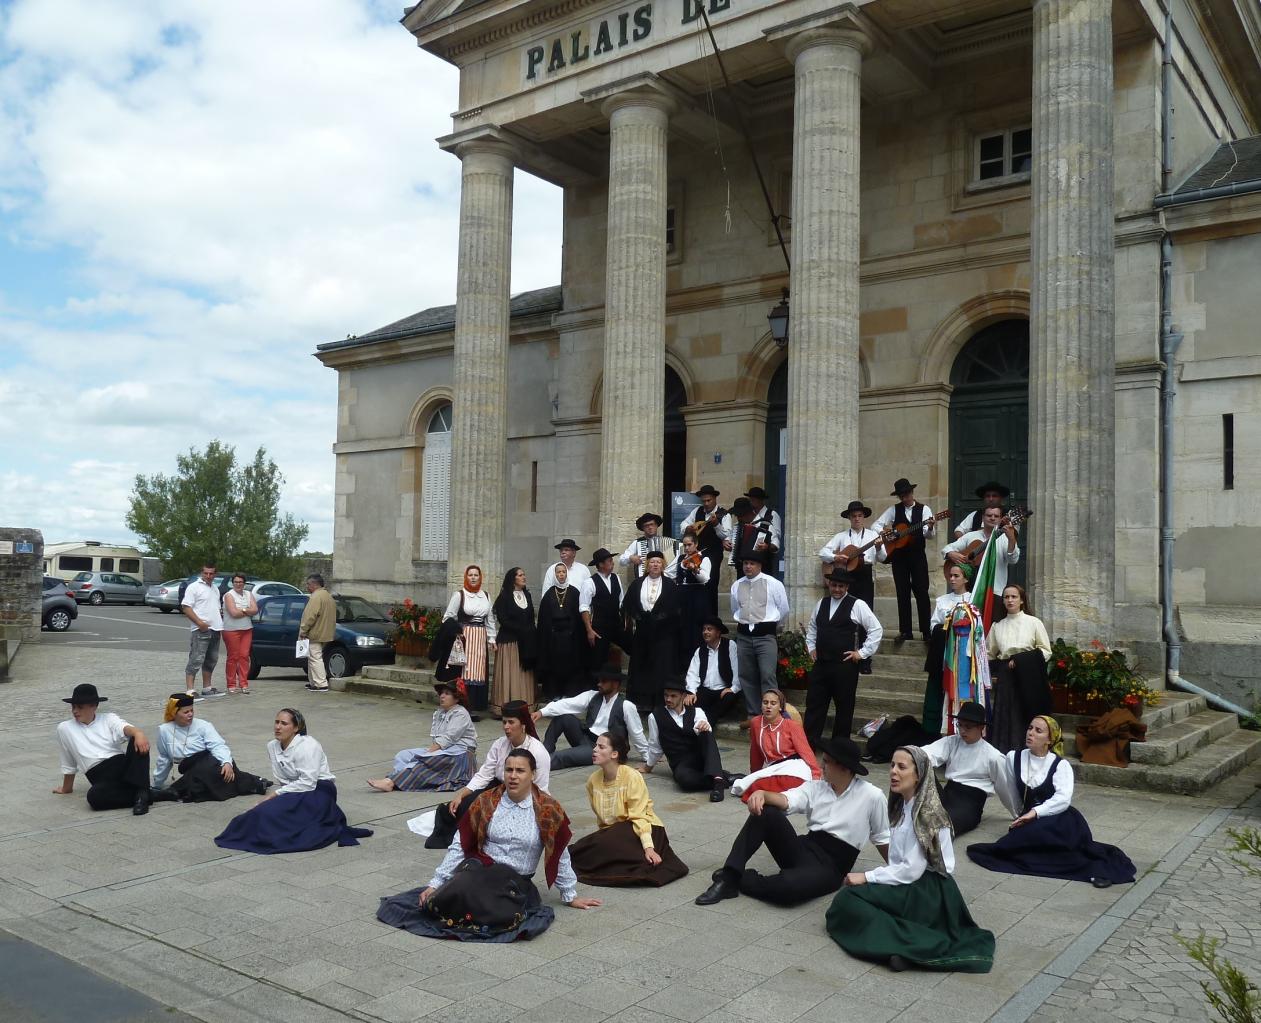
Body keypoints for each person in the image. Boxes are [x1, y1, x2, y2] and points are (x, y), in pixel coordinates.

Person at [377, 749, 600, 942]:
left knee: (498, 914)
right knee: (457, 891)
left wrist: (570, 895)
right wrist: (436, 882)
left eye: (520, 771)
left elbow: (559, 853)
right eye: (509, 770)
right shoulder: (486, 801)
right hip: (480, 870)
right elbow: (459, 844)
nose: (513, 776)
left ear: (533, 774)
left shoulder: (547, 809)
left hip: (514, 881)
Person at [826, 745, 995, 973]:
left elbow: (911, 870)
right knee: (851, 903)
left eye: (902, 767)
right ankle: (904, 950)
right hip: (913, 884)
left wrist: (867, 876)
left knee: (849, 900)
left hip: (927, 889)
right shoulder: (904, 806)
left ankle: (919, 947)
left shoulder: (926, 814)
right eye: (893, 765)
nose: (893, 771)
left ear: (918, 775)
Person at [695, 736, 890, 906]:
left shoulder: (872, 796)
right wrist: (762, 794)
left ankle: (744, 880)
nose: (821, 766)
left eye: (827, 762)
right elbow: (787, 800)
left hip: (832, 866)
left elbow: (882, 838)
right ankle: (730, 876)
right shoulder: (816, 788)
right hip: (805, 847)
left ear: (844, 768)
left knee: (787, 890)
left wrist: (899, 872)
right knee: (767, 812)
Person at [968, 715, 1137, 887]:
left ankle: (1097, 870)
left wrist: (1035, 813)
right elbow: (1012, 792)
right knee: (1007, 847)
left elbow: (1063, 799)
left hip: (1060, 819)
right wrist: (1020, 816)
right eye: (1030, 728)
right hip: (1031, 820)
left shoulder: (1060, 765)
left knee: (1060, 852)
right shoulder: (1013, 757)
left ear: (1049, 740)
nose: (1031, 733)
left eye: (1038, 731)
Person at [214, 708, 372, 853]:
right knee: (259, 813)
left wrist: (275, 795)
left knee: (272, 813)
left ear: (296, 728)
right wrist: (282, 798)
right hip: (294, 790)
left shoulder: (308, 746)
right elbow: (283, 778)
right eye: (276, 722)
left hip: (318, 790)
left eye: (284, 723)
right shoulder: (272, 746)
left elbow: (308, 783)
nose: (278, 727)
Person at [425, 700, 551, 850]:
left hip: (522, 795)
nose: (506, 727)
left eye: (511, 722)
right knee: (465, 807)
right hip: (497, 787)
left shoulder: (538, 752)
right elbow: (484, 774)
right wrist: (462, 794)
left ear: (523, 725)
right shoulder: (499, 744)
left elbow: (541, 789)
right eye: (504, 722)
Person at [570, 732, 689, 887]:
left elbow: (639, 815)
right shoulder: (593, 780)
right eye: (595, 746)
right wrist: (602, 838)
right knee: (582, 848)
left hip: (645, 828)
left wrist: (648, 847)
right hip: (617, 832)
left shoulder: (632, 776)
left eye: (601, 747)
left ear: (614, 754)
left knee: (635, 862)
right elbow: (602, 820)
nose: (594, 750)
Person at [803, 568, 883, 744]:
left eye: (841, 586)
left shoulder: (857, 605)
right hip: (821, 664)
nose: (837, 589)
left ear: (847, 586)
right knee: (814, 706)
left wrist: (861, 653)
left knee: (844, 709)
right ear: (829, 584)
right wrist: (811, 648)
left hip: (844, 666)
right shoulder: (821, 604)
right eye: (834, 585)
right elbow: (812, 629)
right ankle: (808, 746)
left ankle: (839, 749)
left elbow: (876, 629)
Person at [53, 684, 158, 815]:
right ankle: (150, 794)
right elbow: (68, 760)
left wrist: (138, 733)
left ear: (94, 706)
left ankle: (142, 796)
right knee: (94, 798)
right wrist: (66, 788)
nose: (75, 711)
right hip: (100, 775)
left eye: (80, 707)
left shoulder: (108, 718)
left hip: (122, 765)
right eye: (73, 707)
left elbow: (123, 727)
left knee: (136, 740)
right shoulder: (64, 728)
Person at [152, 693, 270, 801]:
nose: (190, 714)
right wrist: (157, 783)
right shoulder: (164, 730)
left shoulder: (203, 726)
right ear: (174, 713)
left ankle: (175, 790)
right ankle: (255, 783)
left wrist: (227, 762)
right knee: (201, 779)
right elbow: (164, 758)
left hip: (214, 763)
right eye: (186, 712)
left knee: (206, 769)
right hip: (195, 771)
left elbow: (218, 746)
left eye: (192, 710)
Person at [923, 702, 1017, 835]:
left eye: (968, 727)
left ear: (981, 728)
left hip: (969, 804)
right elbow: (927, 753)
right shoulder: (952, 742)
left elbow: (1005, 788)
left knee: (943, 828)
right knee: (918, 764)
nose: (962, 730)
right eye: (960, 725)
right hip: (947, 794)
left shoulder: (993, 756)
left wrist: (1017, 814)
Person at [367, 680, 478, 792]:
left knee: (422, 761)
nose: (442, 696)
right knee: (403, 755)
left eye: (447, 694)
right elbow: (437, 740)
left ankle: (390, 782)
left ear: (457, 698)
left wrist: (427, 754)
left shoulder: (460, 713)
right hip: (445, 751)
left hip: (459, 755)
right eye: (441, 693)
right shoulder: (441, 713)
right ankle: (396, 779)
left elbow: (447, 739)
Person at [534, 668, 650, 770]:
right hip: (586, 738)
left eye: (603, 681)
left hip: (603, 748)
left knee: (562, 756)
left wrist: (648, 758)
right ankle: (544, 752)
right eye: (599, 680)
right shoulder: (592, 696)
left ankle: (534, 766)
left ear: (615, 684)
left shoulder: (626, 706)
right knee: (563, 718)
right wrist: (541, 712)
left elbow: (637, 733)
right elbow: (568, 704)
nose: (599, 684)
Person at [986, 584, 1053, 754]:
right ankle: (1003, 755)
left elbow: (1045, 651)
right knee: (1005, 717)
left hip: (1028, 677)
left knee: (1023, 716)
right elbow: (989, 654)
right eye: (1006, 597)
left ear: (1022, 600)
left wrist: (1022, 662)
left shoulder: (1033, 622)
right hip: (1006, 678)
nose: (1010, 600)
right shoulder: (997, 626)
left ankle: (1025, 754)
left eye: (1014, 597)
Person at [643, 678, 733, 802]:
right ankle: (723, 778)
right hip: (681, 764)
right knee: (685, 781)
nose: (668, 699)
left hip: (700, 758)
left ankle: (718, 784)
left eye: (673, 696)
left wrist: (702, 726)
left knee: (706, 731)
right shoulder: (655, 716)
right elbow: (655, 745)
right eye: (666, 695)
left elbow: (700, 724)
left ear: (683, 696)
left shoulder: (697, 711)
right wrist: (648, 766)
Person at [819, 501, 882, 674]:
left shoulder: (872, 535)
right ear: (849, 518)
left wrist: (879, 547)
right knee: (844, 614)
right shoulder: (841, 536)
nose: (857, 519)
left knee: (865, 614)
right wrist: (836, 556)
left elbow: (882, 557)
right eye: (853, 516)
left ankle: (864, 659)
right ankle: (844, 653)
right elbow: (822, 552)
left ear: (864, 517)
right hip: (846, 575)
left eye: (860, 516)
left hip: (865, 575)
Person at [872, 478, 937, 644]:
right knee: (902, 593)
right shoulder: (894, 510)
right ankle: (905, 631)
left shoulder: (924, 509)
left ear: (912, 493)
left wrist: (929, 527)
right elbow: (875, 525)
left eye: (907, 494)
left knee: (922, 591)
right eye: (901, 495)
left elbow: (928, 535)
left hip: (917, 556)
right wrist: (887, 533)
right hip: (899, 556)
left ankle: (926, 631)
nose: (905, 497)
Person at [730, 689, 821, 801]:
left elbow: (806, 752)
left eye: (773, 703)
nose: (768, 706)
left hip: (795, 766)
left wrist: (816, 775)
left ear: (780, 707)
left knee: (761, 787)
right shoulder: (756, 723)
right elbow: (755, 752)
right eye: (765, 702)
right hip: (773, 768)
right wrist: (754, 773)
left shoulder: (792, 725)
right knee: (742, 787)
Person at [730, 551, 790, 716]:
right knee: (746, 675)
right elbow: (735, 608)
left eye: (752, 563)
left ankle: (771, 713)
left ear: (759, 565)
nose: (748, 567)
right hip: (744, 636)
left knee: (767, 674)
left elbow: (784, 609)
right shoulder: (737, 585)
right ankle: (753, 713)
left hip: (765, 636)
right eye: (745, 563)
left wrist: (773, 626)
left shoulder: (773, 583)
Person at [623, 550, 681, 707]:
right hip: (642, 634)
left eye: (658, 562)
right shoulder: (637, 584)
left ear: (663, 565)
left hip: (663, 635)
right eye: (652, 562)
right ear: (647, 566)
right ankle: (640, 703)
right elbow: (628, 605)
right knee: (641, 668)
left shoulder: (670, 585)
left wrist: (659, 618)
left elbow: (675, 609)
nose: (655, 565)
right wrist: (640, 616)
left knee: (661, 668)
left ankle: (659, 703)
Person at [922, 564, 975, 736]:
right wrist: (947, 628)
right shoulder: (942, 600)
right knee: (936, 691)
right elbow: (933, 625)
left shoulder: (973, 599)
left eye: (956, 576)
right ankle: (933, 731)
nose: (951, 579)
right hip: (942, 654)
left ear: (965, 578)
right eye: (950, 576)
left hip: (962, 656)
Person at [942, 506, 1021, 617]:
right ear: (983, 518)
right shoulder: (971, 536)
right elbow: (946, 548)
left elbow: (1013, 560)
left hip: (995, 591)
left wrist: (1012, 539)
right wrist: (951, 554)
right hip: (971, 590)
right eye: (989, 515)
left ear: (1000, 519)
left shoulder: (1005, 538)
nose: (992, 518)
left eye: (996, 516)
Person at [442, 565, 497, 714]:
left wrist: (492, 639)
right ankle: (464, 706)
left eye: (476, 575)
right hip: (465, 637)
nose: (473, 577)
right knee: (466, 670)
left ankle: (477, 705)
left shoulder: (486, 595)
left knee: (478, 670)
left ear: (480, 577)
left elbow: (490, 619)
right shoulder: (459, 595)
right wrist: (456, 631)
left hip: (480, 637)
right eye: (470, 575)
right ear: (466, 577)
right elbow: (448, 617)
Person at [535, 562, 588, 699]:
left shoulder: (575, 592)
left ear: (567, 573)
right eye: (558, 572)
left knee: (570, 665)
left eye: (563, 572)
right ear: (554, 574)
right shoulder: (548, 594)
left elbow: (579, 615)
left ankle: (569, 693)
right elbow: (543, 619)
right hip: (554, 637)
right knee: (554, 666)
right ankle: (554, 693)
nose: (561, 575)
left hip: (570, 637)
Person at [491, 568, 536, 717]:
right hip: (509, 641)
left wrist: (530, 632)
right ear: (513, 578)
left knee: (523, 674)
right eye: (520, 575)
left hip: (526, 642)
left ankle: (523, 706)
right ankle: (505, 706)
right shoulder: (504, 597)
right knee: (510, 674)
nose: (524, 577)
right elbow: (503, 619)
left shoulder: (527, 595)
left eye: (524, 574)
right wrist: (522, 629)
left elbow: (530, 618)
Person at [683, 616, 742, 724]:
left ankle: (706, 722)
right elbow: (693, 674)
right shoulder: (700, 651)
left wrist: (733, 688)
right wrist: (691, 692)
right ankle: (704, 721)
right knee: (689, 702)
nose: (705, 632)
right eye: (704, 629)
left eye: (709, 629)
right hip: (705, 691)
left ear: (718, 632)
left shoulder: (730, 646)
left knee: (729, 698)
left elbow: (737, 669)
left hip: (723, 691)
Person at [665, 533, 712, 665]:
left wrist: (695, 570)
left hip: (697, 596)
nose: (686, 548)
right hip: (681, 595)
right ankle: (681, 664)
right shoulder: (680, 558)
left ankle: (696, 663)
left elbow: (705, 579)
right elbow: (668, 573)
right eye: (684, 545)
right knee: (681, 627)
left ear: (696, 544)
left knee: (695, 629)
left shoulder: (704, 559)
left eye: (689, 545)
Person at [678, 484, 726, 613]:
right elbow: (684, 524)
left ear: (715, 499)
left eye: (708, 500)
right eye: (703, 501)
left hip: (713, 554)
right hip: (697, 553)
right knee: (696, 582)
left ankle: (712, 620)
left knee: (711, 584)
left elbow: (725, 535)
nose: (706, 503)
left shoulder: (723, 514)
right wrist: (687, 528)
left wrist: (716, 525)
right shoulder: (697, 511)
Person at [181, 562, 224, 699]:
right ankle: (190, 690)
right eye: (206, 573)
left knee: (211, 659)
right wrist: (200, 623)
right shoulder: (194, 587)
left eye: (211, 573)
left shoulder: (215, 589)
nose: (208, 576)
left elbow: (217, 608)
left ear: (215, 574)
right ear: (202, 573)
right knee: (196, 658)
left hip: (216, 628)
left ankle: (207, 688)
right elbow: (186, 607)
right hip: (201, 629)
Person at [579, 548, 626, 674]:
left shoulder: (616, 578)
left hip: (616, 625)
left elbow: (621, 601)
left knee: (633, 646)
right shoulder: (589, 582)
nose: (613, 563)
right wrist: (589, 630)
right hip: (599, 628)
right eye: (610, 560)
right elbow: (584, 607)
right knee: (598, 660)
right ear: (600, 564)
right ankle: (595, 689)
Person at [220, 573, 258, 695]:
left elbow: (255, 610)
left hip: (247, 629)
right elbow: (233, 613)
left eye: (240, 582)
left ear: (244, 583)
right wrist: (247, 610)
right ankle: (231, 684)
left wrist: (243, 610)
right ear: (232, 583)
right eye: (235, 582)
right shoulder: (229, 595)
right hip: (231, 630)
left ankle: (243, 683)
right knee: (233, 657)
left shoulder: (248, 594)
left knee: (244, 656)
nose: (238, 584)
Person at [298, 573, 336, 693]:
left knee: (315, 657)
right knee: (313, 657)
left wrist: (303, 631)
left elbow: (309, 616)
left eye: (308, 584)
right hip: (326, 632)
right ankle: (313, 682)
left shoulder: (315, 597)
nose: (307, 587)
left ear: (314, 584)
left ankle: (321, 683)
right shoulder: (328, 596)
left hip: (315, 632)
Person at [620, 512, 678, 579]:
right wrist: (631, 558)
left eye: (652, 524)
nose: (650, 527)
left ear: (656, 526)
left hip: (663, 580)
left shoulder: (669, 543)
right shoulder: (637, 543)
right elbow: (622, 560)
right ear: (643, 528)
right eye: (646, 526)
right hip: (644, 580)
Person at [724, 497, 774, 569]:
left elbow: (775, 547)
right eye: (737, 516)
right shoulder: (737, 527)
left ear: (750, 512)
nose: (739, 518)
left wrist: (767, 546)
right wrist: (727, 544)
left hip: (761, 569)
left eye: (741, 515)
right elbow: (729, 541)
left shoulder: (765, 525)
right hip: (741, 568)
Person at [744, 487, 782, 563]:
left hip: (766, 556)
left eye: (755, 498)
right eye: (751, 498)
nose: (752, 500)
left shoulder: (772, 514)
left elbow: (776, 536)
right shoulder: (749, 515)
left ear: (761, 499)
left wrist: (767, 545)